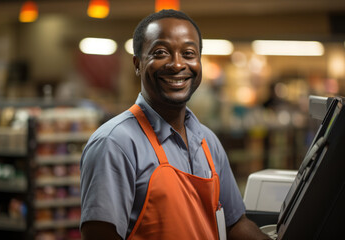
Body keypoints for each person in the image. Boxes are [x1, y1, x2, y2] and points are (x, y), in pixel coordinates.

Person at [80, 9, 271, 240]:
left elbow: (235, 224)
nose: (177, 64)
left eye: (188, 53)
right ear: (138, 64)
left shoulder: (207, 141)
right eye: (161, 52)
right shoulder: (114, 144)